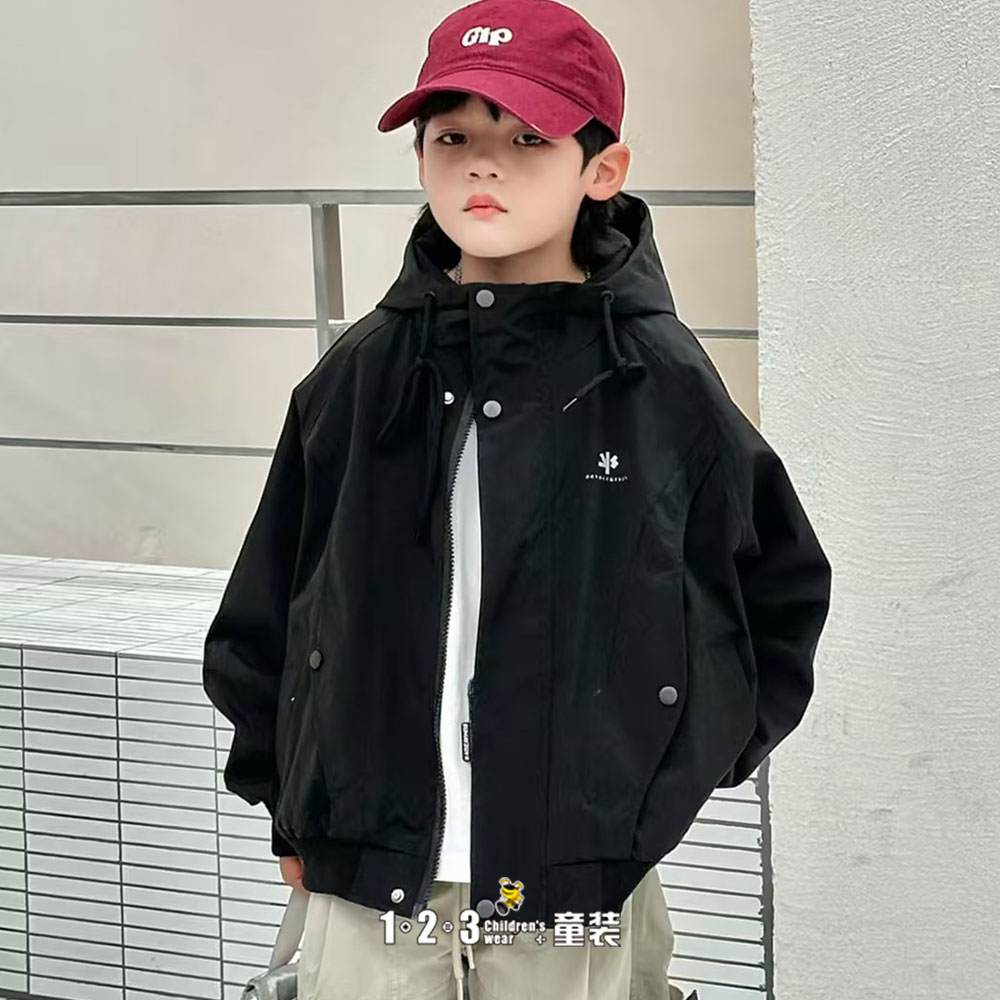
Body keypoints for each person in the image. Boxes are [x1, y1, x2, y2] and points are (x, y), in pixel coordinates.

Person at [202, 1, 832, 998]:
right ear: (419, 158)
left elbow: (777, 590)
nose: (482, 167)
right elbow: (273, 602)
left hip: (576, 873)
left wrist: (655, 779)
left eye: (528, 137)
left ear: (602, 170)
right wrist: (290, 803)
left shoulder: (657, 380)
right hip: (366, 869)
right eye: (452, 137)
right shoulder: (360, 375)